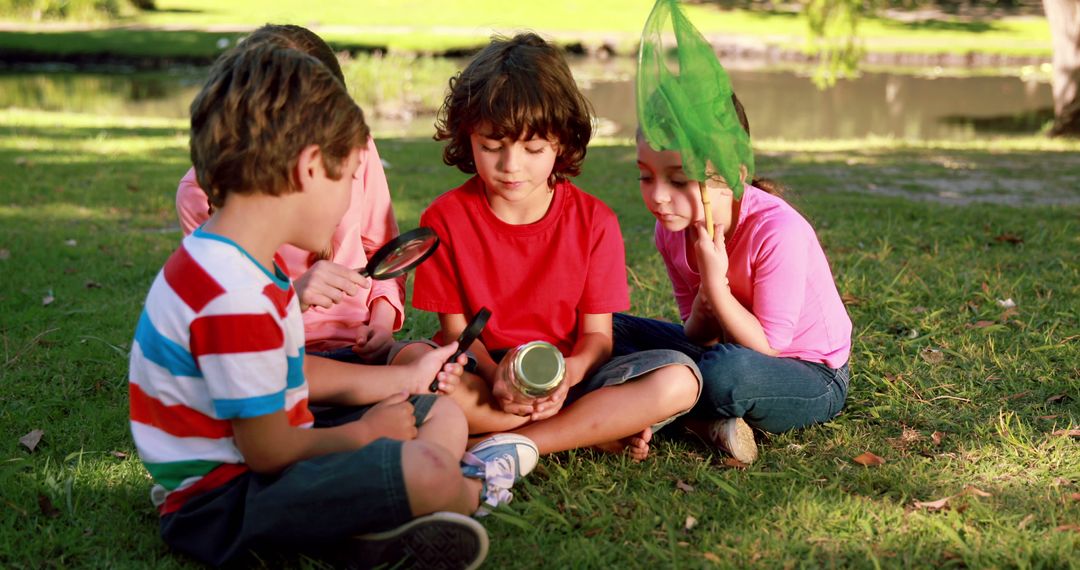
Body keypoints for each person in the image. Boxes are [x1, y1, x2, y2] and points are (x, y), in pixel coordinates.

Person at [128, 39, 536, 568]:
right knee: (428, 473)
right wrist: (363, 434)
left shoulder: (232, 258)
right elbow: (268, 451)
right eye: (347, 177)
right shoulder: (234, 296)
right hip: (225, 503)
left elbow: (287, 372)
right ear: (310, 167)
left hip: (267, 458)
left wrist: (404, 382)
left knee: (437, 410)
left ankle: (372, 524)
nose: (349, 198)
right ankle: (470, 489)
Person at [391, 33, 701, 461]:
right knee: (412, 364)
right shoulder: (443, 219)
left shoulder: (595, 222)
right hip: (482, 373)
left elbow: (596, 338)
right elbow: (456, 332)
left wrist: (565, 380)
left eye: (533, 148)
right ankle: (587, 428)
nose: (511, 165)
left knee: (679, 379)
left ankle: (490, 442)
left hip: (570, 377)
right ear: (467, 138)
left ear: (561, 141)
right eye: (491, 146)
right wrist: (499, 376)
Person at [618, 93, 852, 464]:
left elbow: (768, 347)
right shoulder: (670, 231)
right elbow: (699, 335)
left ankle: (655, 408)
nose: (659, 197)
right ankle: (685, 413)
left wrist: (716, 287)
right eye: (646, 176)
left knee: (725, 373)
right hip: (719, 349)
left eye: (679, 180)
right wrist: (704, 303)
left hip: (804, 372)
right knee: (612, 329)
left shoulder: (778, 231)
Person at [176, 24, 402, 364]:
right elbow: (228, 326)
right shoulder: (202, 192)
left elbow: (385, 252)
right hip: (273, 353)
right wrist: (292, 297)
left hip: (357, 347)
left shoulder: (357, 151)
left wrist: (383, 321)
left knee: (435, 382)